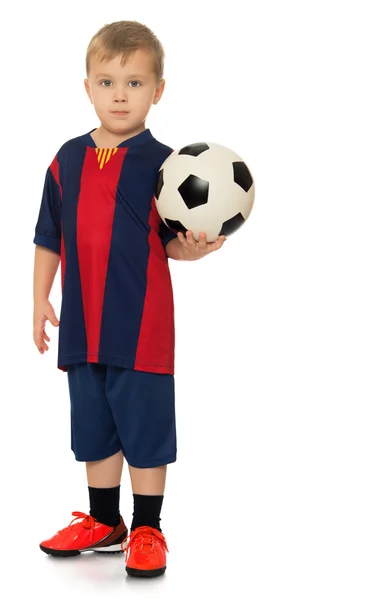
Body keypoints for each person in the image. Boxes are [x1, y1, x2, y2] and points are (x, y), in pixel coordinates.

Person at [33, 19, 226, 578]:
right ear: (87, 87)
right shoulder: (65, 159)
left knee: (143, 425)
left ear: (158, 90)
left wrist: (198, 249)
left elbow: (170, 245)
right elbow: (49, 235)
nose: (120, 94)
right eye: (108, 81)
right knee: (92, 425)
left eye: (135, 83)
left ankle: (147, 527)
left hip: (142, 325)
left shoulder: (166, 167)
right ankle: (103, 521)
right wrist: (40, 299)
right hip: (83, 324)